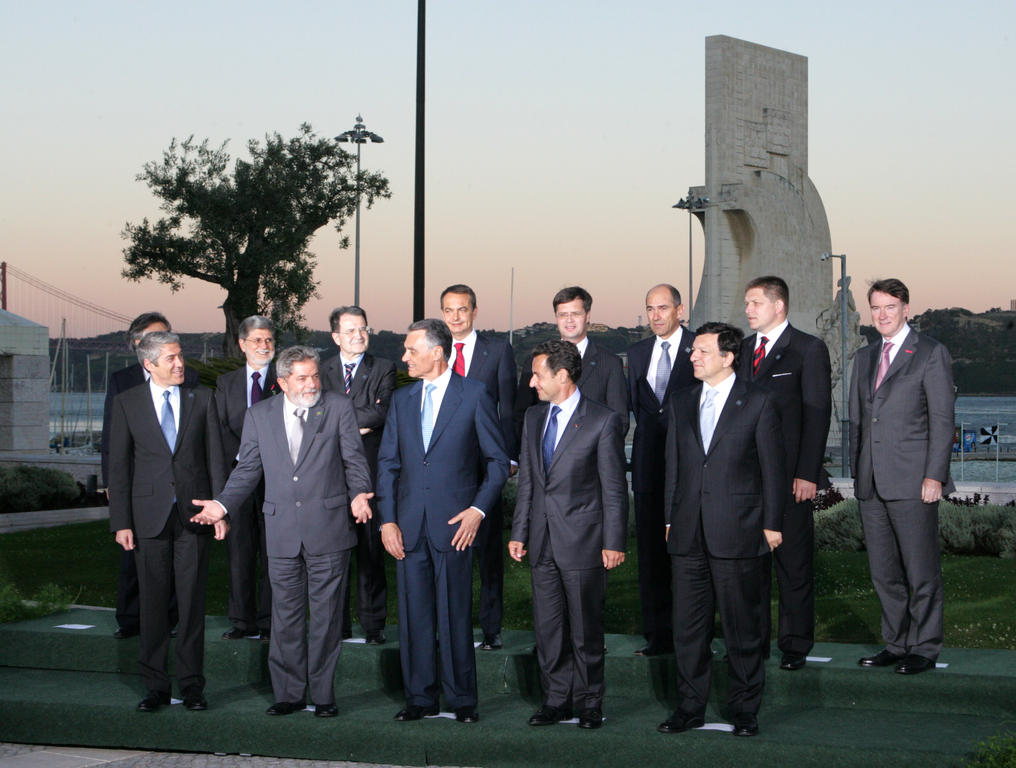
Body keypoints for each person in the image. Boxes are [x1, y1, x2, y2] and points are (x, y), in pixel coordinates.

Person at [192, 346, 373, 717]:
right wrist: (222, 505)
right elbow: (246, 471)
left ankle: (323, 696)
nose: (311, 384)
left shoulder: (337, 407)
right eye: (303, 378)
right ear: (283, 382)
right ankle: (288, 694)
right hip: (281, 532)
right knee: (285, 617)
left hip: (330, 529)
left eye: (315, 376)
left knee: (324, 619)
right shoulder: (259, 416)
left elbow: (355, 460)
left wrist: (360, 496)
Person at [376, 319, 509, 724]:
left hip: (455, 528)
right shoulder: (401, 401)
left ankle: (463, 699)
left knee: (454, 614)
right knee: (414, 616)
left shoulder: (474, 395)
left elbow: (498, 463)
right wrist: (387, 521)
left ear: (437, 352)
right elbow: (387, 465)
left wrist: (478, 510)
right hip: (408, 528)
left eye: (411, 350)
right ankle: (419, 698)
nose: (404, 357)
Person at [659, 322, 784, 738]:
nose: (693, 357)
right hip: (687, 534)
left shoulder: (760, 401)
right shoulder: (681, 401)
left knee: (742, 628)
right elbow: (674, 466)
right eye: (693, 351)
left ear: (729, 357)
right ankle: (690, 707)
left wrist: (771, 524)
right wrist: (669, 519)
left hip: (741, 530)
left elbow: (773, 469)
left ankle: (745, 709)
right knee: (688, 629)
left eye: (702, 351)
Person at [509, 340, 628, 730]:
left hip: (584, 542)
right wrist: (520, 530)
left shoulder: (602, 420)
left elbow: (613, 488)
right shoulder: (532, 419)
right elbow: (529, 480)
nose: (531, 383)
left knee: (585, 629)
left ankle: (590, 702)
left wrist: (613, 542)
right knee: (548, 630)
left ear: (562, 377)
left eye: (538, 375)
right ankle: (556, 699)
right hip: (542, 542)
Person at [107, 331, 227, 713]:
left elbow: (216, 461)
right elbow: (119, 467)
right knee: (153, 606)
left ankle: (192, 686)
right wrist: (121, 521)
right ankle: (155, 687)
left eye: (180, 357)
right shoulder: (128, 403)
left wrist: (221, 508)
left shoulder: (203, 399)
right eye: (171, 358)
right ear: (149, 364)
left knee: (191, 604)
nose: (180, 364)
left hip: (195, 517)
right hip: (147, 519)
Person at [849, 278, 954, 676]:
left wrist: (935, 475)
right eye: (875, 308)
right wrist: (859, 474)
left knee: (920, 569)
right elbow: (859, 423)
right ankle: (896, 643)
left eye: (889, 307)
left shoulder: (929, 353)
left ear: (906, 308)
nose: (882, 314)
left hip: (913, 481)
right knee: (884, 572)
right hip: (871, 482)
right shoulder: (864, 357)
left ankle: (925, 647)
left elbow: (943, 421)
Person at [739, 276, 832, 671]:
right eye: (746, 303)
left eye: (755, 302)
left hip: (791, 479)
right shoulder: (742, 351)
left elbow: (816, 414)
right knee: (749, 568)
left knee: (793, 566)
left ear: (778, 306)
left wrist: (807, 473)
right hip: (747, 482)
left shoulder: (808, 349)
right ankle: (752, 644)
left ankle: (795, 645)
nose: (748, 310)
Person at [101, 311, 197, 639]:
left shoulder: (191, 380)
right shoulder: (122, 382)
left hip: (179, 493)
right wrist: (112, 485)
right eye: (153, 339)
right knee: (132, 558)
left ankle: (168, 621)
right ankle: (130, 619)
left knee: (175, 564)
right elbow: (111, 441)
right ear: (139, 348)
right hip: (139, 489)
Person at [440, 283, 517, 650]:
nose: (456, 316)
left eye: (462, 309)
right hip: (444, 469)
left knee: (486, 553)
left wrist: (509, 456)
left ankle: (490, 630)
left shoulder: (498, 351)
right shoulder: (435, 350)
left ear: (474, 311)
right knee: (447, 550)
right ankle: (449, 628)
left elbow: (509, 408)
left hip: (485, 466)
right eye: (449, 310)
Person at [625, 284, 696, 656]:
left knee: (688, 557)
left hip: (690, 468)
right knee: (651, 557)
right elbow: (637, 409)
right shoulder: (636, 354)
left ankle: (691, 634)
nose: (655, 315)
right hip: (649, 467)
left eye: (663, 308)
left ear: (679, 310)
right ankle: (658, 636)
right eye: (650, 308)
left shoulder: (700, 347)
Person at [321, 305, 397, 645]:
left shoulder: (383, 368)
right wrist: (355, 422)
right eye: (351, 331)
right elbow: (316, 412)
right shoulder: (320, 372)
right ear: (336, 336)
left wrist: (338, 418)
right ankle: (336, 625)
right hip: (329, 474)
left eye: (363, 328)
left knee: (369, 551)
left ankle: (372, 624)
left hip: (369, 471)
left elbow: (382, 413)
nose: (359, 335)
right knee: (335, 554)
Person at [212, 315, 277, 642]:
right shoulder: (227, 384)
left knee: (272, 553)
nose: (264, 346)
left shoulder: (284, 380)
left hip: (275, 481)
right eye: (257, 340)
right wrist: (223, 489)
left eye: (269, 340)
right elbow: (220, 438)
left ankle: (268, 622)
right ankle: (241, 621)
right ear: (242, 345)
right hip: (238, 482)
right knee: (239, 552)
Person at [513, 286, 627, 442]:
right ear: (556, 317)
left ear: (587, 316)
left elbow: (619, 420)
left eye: (575, 314)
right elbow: (522, 415)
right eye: (563, 314)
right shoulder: (534, 362)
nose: (569, 320)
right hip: (546, 459)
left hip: (592, 461)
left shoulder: (610, 363)